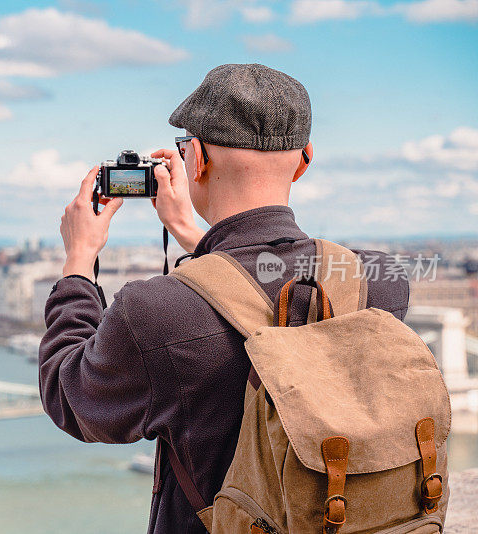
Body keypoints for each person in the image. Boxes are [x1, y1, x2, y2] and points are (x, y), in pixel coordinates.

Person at [38, 64, 408, 533]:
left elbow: (69, 395)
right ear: (305, 159)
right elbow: (273, 282)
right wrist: (196, 235)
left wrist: (78, 259)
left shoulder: (155, 312)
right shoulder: (378, 281)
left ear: (195, 160)